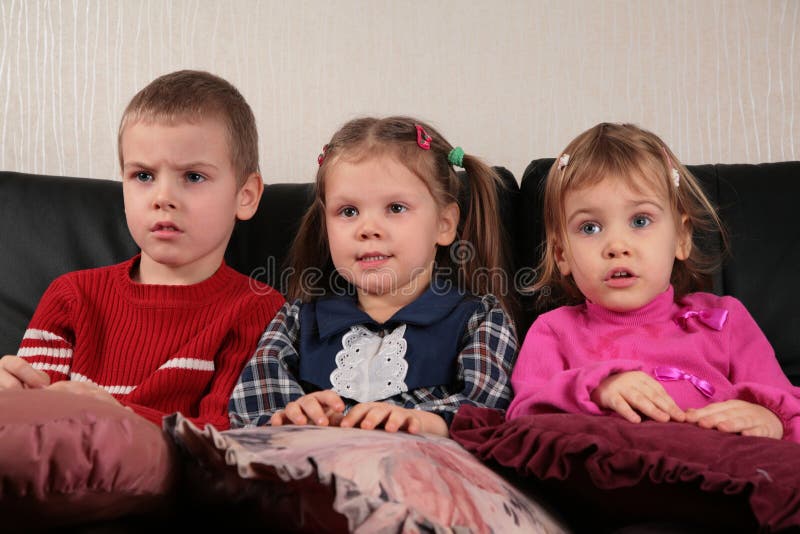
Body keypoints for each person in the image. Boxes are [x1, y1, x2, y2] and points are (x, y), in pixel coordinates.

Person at [0, 70, 285, 430]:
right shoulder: (71, 297)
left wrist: (119, 417)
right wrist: (12, 398)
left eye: (193, 177)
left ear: (245, 196)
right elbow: (28, 427)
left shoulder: (259, 310)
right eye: (143, 176)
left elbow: (229, 439)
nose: (163, 198)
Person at [506, 122, 800, 442]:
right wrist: (597, 388)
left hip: (720, 471)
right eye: (590, 228)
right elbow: (522, 418)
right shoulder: (554, 331)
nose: (617, 246)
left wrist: (771, 420)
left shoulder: (725, 322)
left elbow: (791, 410)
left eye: (640, 221)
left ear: (682, 238)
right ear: (561, 253)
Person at [229, 116, 517, 437]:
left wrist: (423, 422)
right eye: (348, 212)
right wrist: (291, 415)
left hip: (420, 474)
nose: (368, 229)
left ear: (444, 224)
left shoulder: (479, 317)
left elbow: (490, 409)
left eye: (395, 208)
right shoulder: (297, 318)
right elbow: (250, 404)